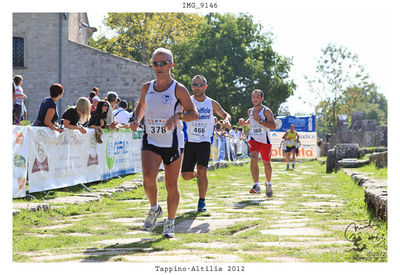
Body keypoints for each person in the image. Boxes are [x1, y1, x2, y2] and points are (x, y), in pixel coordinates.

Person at [130, 48, 199, 238]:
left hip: (173, 142)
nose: (159, 67)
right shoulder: (147, 87)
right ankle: (154, 208)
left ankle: (170, 223)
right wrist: (136, 119)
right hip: (151, 138)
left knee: (171, 185)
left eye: (163, 63)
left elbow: (194, 114)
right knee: (148, 177)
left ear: (171, 65)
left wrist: (178, 116)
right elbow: (141, 107)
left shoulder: (179, 89)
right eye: (155, 64)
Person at [181, 75, 231, 212]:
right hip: (189, 141)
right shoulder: (187, 101)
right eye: (194, 85)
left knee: (203, 169)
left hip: (204, 141)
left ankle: (202, 201)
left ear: (205, 86)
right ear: (191, 86)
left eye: (200, 84)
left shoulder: (211, 103)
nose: (196, 87)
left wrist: (227, 120)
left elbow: (225, 114)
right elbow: (176, 113)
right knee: (185, 175)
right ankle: (197, 175)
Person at [238, 89, 277, 198]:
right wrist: (244, 123)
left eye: (257, 97)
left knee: (266, 164)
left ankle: (268, 183)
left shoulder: (266, 111)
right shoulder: (250, 111)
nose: (255, 99)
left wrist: (260, 120)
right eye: (253, 97)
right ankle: (256, 185)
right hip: (253, 139)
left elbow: (273, 126)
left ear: (262, 98)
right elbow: (250, 122)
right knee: (253, 157)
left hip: (264, 140)